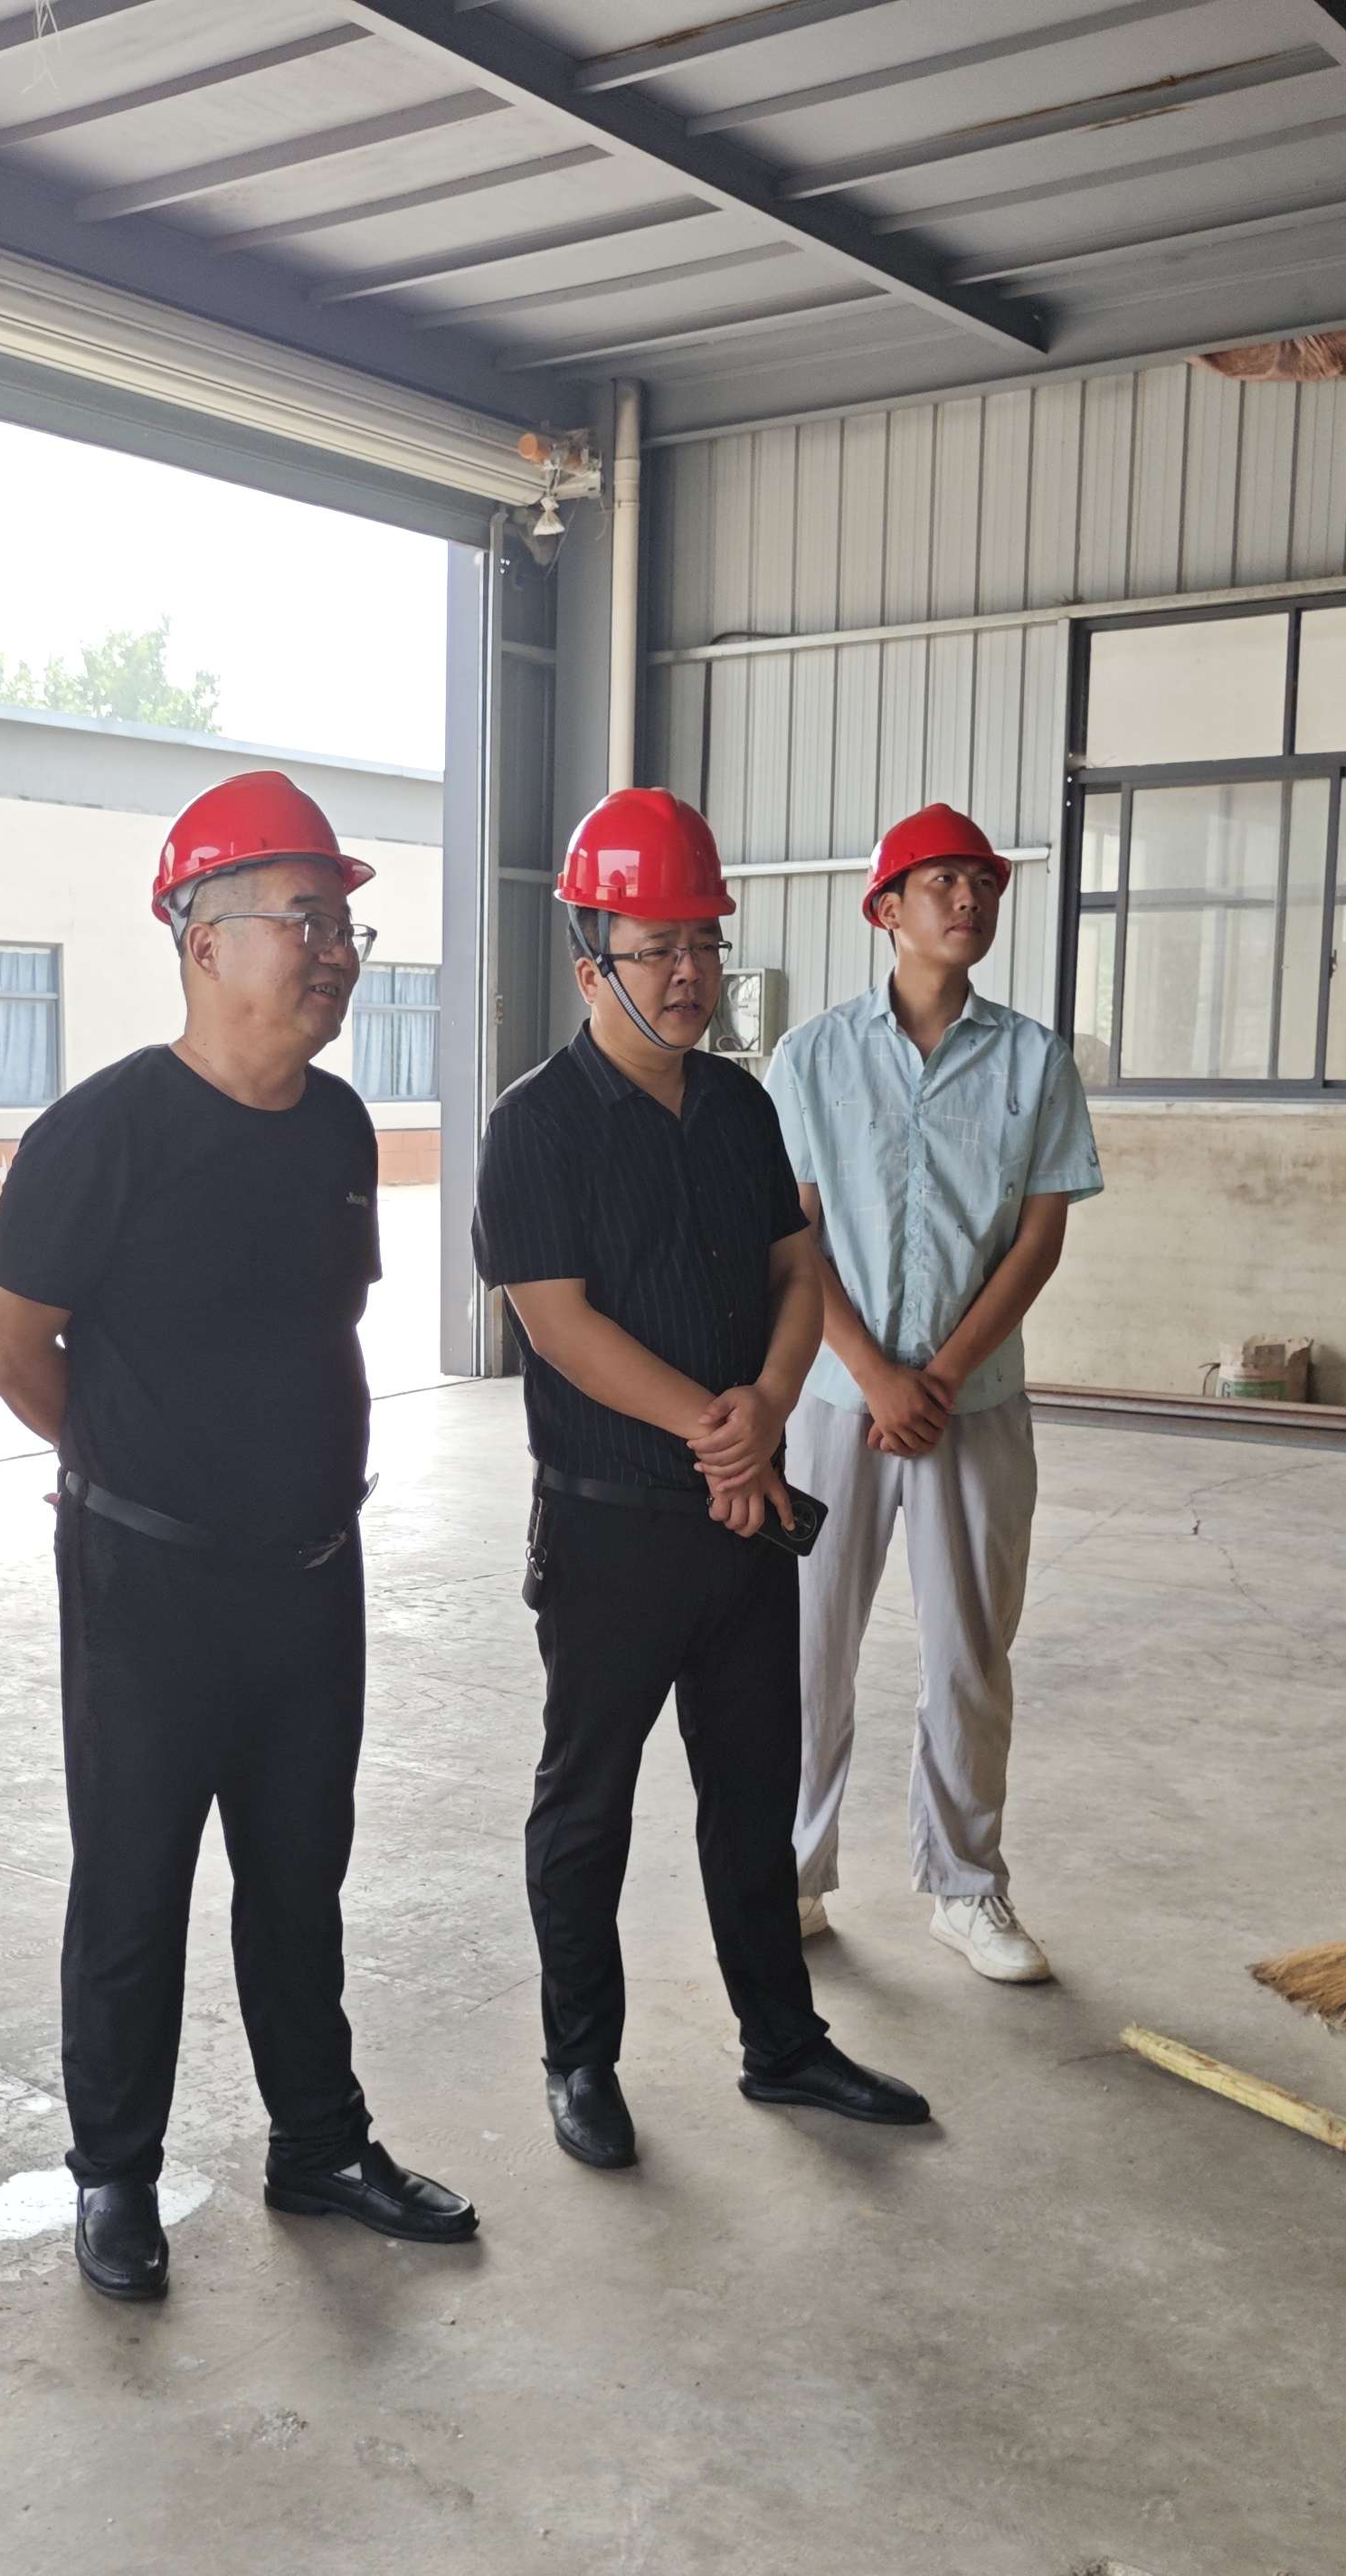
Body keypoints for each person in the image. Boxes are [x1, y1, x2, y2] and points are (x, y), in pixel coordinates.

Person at [0, 769, 478, 2303]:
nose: (336, 953)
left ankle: (317, 2143)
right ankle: (115, 2176)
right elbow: (8, 1345)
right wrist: (129, 1464)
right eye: (305, 920)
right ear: (202, 941)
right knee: (134, 1886)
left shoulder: (337, 1127)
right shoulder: (101, 1136)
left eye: (345, 927)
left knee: (300, 1873)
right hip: (149, 1583)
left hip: (314, 1571)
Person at [471, 786, 932, 2175]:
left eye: (704, 944)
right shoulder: (536, 1124)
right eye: (658, 946)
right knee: (588, 1805)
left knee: (752, 1790)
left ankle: (782, 2043)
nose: (689, 973)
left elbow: (797, 1270)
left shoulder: (740, 1103)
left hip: (745, 1524)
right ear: (590, 962)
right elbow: (557, 1322)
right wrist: (715, 1435)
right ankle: (580, 2061)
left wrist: (771, 1408)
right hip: (612, 1530)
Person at [766, 802, 1101, 1984]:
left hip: (976, 1406)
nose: (969, 899)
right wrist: (872, 1372)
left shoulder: (1034, 1061)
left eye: (985, 884)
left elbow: (1039, 1238)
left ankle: (966, 1888)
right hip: (830, 1399)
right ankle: (789, 1876)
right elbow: (794, 1238)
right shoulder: (812, 1058)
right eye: (943, 881)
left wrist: (940, 1378)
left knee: (970, 1652)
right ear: (886, 909)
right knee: (806, 1647)